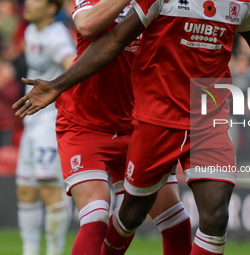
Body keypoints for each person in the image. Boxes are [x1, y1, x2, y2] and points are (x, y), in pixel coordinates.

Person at [13, 0, 250, 254]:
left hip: (178, 119)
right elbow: (95, 31)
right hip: (94, 123)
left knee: (202, 219)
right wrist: (58, 84)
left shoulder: (244, 3)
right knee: (103, 216)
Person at [53, 0, 192, 254]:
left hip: (138, 126)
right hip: (83, 123)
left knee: (177, 223)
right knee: (95, 218)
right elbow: (86, 25)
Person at [15, 0, 76, 254]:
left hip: (49, 123)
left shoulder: (57, 37)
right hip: (31, 122)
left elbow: (72, 65)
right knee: (26, 190)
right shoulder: (31, 31)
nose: (28, 3)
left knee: (51, 192)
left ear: (52, 8)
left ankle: (54, 251)